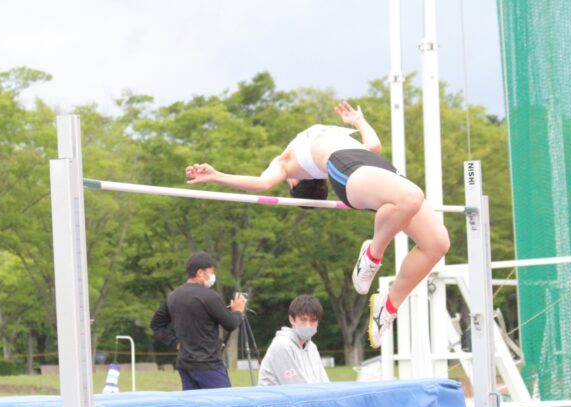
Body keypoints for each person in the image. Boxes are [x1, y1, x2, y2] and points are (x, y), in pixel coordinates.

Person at [185, 102, 450, 349]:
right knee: (412, 197)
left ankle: (388, 305)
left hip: (379, 170)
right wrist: (216, 176)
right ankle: (372, 254)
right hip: (349, 169)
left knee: (437, 244)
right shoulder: (286, 164)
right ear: (294, 183)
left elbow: (374, 146)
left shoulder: (292, 163)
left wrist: (358, 120)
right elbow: (263, 184)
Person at [151, 252, 248, 390]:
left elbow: (156, 324)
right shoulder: (209, 297)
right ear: (201, 272)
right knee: (223, 405)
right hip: (209, 364)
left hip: (185, 364)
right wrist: (238, 311)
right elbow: (230, 324)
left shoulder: (173, 296)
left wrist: (174, 343)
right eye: (211, 271)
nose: (213, 276)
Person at [258, 295, 329, 386]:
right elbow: (297, 389)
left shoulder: (312, 347)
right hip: (278, 400)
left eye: (313, 320)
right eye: (303, 320)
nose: (308, 325)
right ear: (292, 320)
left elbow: (325, 383)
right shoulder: (282, 345)